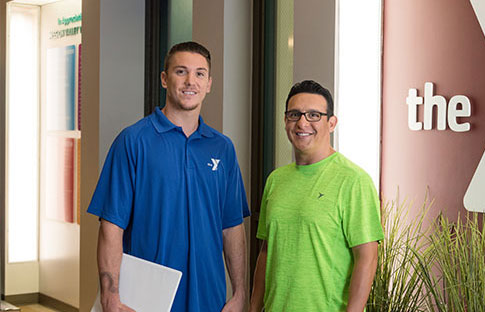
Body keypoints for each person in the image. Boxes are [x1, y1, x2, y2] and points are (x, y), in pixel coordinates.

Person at [88, 41, 250, 312]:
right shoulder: (133, 141)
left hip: (209, 298)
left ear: (209, 83)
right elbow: (111, 226)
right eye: (181, 72)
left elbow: (231, 226)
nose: (191, 81)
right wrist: (110, 295)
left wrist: (240, 293)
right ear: (164, 79)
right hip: (148, 297)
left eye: (200, 74)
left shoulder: (222, 148)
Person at [250, 80, 384, 311]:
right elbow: (266, 252)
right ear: (285, 121)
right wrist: (253, 308)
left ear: (331, 123)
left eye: (314, 115)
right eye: (295, 114)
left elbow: (367, 257)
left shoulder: (353, 180)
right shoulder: (276, 180)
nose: (302, 122)